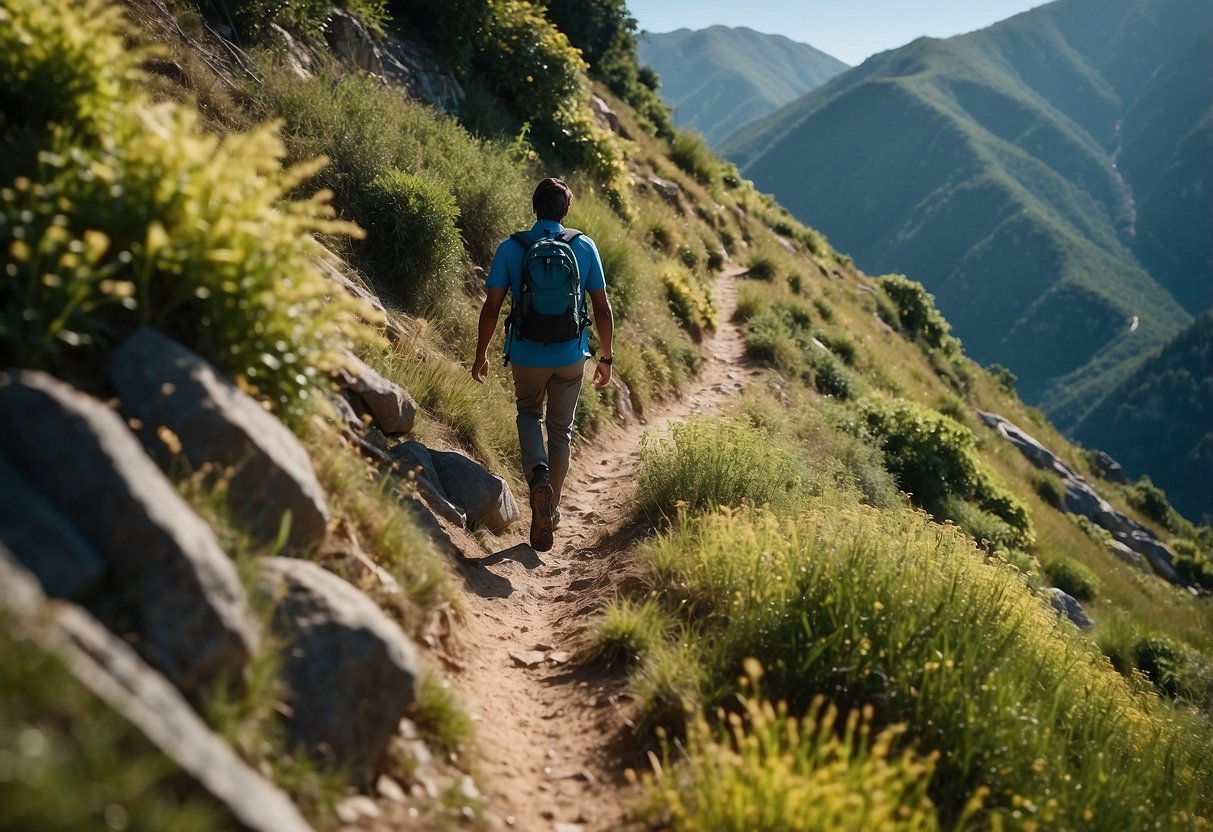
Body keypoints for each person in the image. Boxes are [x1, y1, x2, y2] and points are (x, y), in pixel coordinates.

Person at [471, 177, 614, 552]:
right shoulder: (583, 246)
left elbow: (492, 307)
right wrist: (606, 358)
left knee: (528, 413)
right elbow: (602, 308)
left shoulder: (512, 247)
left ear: (534, 208)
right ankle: (550, 511)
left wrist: (481, 353)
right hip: (570, 355)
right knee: (561, 430)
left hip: (526, 352)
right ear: (565, 211)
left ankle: (538, 478)